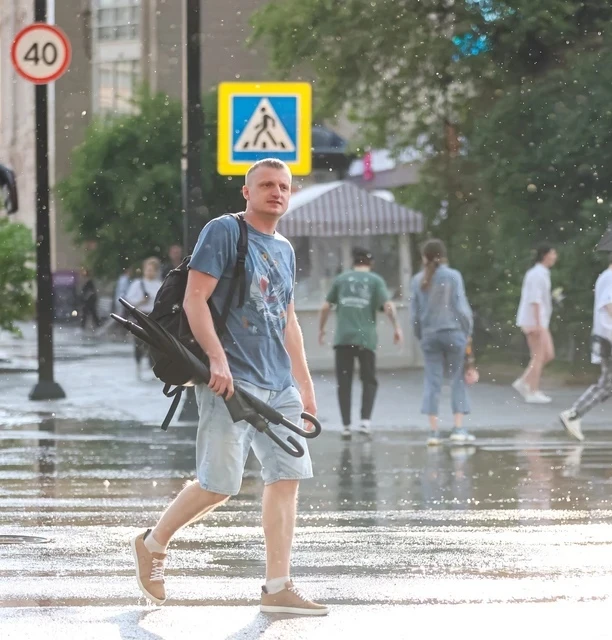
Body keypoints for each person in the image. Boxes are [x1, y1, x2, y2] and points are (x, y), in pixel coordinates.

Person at [130, 158, 326, 616]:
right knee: (219, 485)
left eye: (283, 186)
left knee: (287, 477)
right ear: (246, 191)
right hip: (229, 382)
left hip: (278, 384)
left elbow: (288, 318)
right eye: (266, 185)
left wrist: (305, 383)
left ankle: (278, 585)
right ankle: (153, 543)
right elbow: (194, 298)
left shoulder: (285, 248)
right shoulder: (224, 231)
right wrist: (216, 360)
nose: (276, 192)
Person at [319, 247, 402, 439]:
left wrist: (321, 329)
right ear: (370, 263)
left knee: (344, 382)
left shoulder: (341, 279)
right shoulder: (375, 280)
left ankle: (346, 425)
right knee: (369, 380)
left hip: (343, 339)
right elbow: (388, 306)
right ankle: (365, 422)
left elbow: (325, 306)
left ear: (354, 262)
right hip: (366, 339)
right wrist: (397, 327)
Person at [559, 253, 612, 442]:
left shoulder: (607, 277)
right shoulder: (611, 278)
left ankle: (573, 415)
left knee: (607, 385)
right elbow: (609, 303)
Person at [410, 239, 478, 446]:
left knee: (432, 381)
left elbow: (415, 315)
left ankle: (433, 432)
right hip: (453, 333)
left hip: (430, 335)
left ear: (424, 257)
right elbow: (461, 307)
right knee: (457, 379)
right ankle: (458, 429)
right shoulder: (453, 276)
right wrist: (468, 331)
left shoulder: (417, 280)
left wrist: (421, 335)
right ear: (444, 255)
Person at [513, 243, 557, 403]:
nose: (555, 257)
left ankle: (524, 381)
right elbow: (535, 300)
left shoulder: (541, 273)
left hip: (539, 320)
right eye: (553, 253)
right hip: (534, 321)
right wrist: (538, 324)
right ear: (545, 255)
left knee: (547, 354)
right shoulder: (537, 274)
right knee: (539, 356)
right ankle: (532, 390)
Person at [126, 257, 164, 380]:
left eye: (152, 270)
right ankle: (138, 365)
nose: (150, 272)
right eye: (148, 270)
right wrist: (141, 301)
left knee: (154, 343)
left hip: (154, 317)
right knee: (139, 342)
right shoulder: (138, 284)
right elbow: (129, 300)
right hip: (140, 315)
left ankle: (153, 367)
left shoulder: (160, 284)